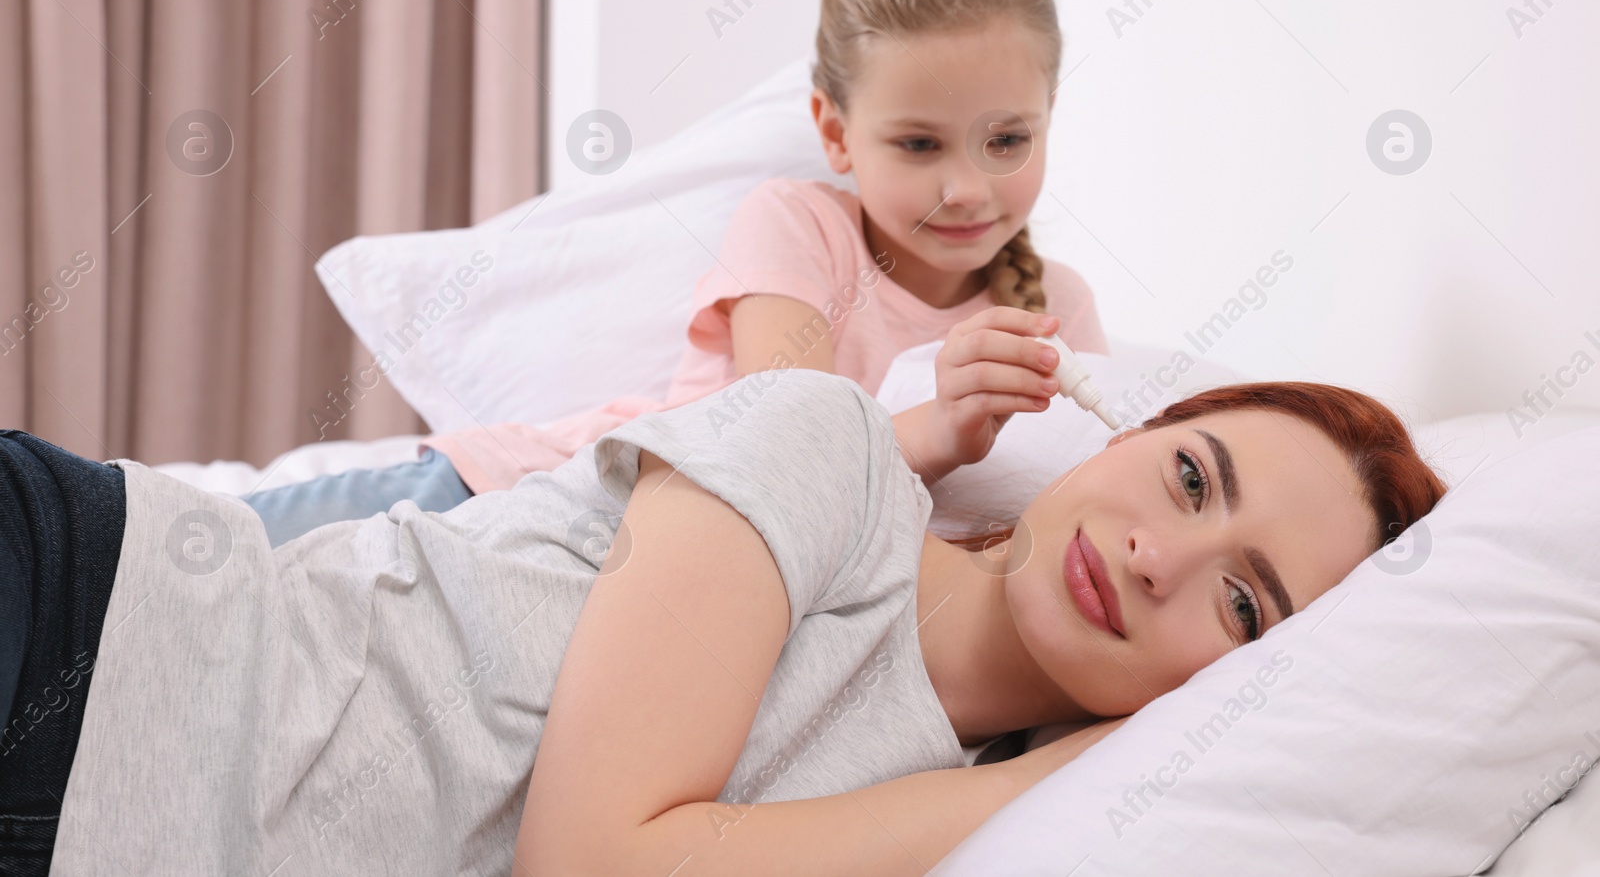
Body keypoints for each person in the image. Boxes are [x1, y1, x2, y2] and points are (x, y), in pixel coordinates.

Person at [2, 342, 1447, 874]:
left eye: (1244, 605)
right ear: (1127, 436)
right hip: (91, 631)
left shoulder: (963, 823)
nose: (1156, 557)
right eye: (1191, 475)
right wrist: (1096, 754)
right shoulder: (825, 445)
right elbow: (592, 859)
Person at [244, 0, 1110, 542]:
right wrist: (942, 430)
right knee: (159, 556)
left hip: (671, 575)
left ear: (1049, 116)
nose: (965, 187)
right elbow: (791, 446)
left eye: (1006, 139)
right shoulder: (798, 225)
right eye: (919, 143)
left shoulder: (1059, 307)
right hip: (525, 496)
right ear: (836, 133)